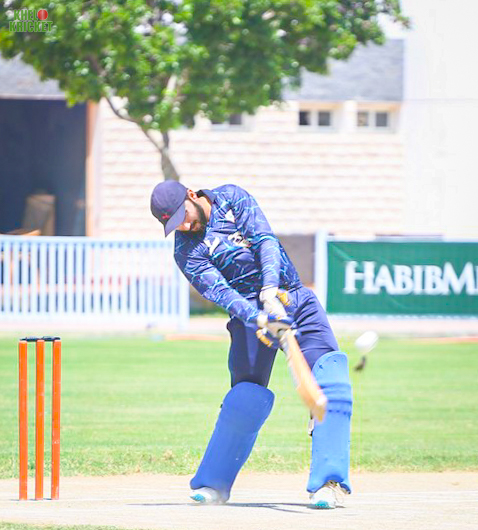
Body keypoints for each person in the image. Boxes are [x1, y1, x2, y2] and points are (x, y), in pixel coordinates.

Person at [150, 180, 352, 509]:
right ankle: (213, 484)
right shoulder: (185, 251)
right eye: (174, 224)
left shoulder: (231, 198)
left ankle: (329, 484)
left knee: (332, 380)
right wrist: (259, 317)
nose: (183, 226)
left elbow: (264, 240)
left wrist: (270, 289)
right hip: (251, 319)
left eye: (183, 215)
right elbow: (221, 293)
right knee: (245, 399)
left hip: (293, 297)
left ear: (191, 195)